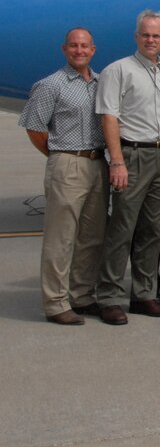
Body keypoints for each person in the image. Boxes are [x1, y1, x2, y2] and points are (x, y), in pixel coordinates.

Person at [94, 10, 160, 325]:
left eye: (156, 35)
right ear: (137, 37)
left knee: (152, 230)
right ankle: (108, 296)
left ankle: (144, 294)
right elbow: (109, 116)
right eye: (145, 34)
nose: (151, 40)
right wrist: (117, 161)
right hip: (132, 156)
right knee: (122, 228)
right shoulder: (117, 71)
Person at [19, 28, 108, 325]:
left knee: (92, 236)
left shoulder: (100, 83)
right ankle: (56, 303)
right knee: (61, 238)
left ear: (93, 50)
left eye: (84, 46)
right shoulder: (50, 85)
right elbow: (35, 129)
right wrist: (60, 157)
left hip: (98, 163)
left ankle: (82, 295)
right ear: (64, 49)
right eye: (74, 45)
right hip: (68, 162)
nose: (79, 50)